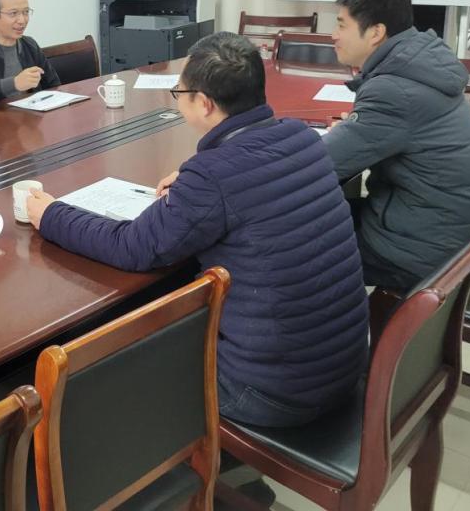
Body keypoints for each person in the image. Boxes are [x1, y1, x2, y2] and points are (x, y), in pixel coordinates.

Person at [26, 32, 368, 428]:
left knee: (120, 361)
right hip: (342, 366)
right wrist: (196, 182)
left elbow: (132, 247)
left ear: (204, 103)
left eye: (181, 93)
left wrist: (51, 215)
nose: (179, 100)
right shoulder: (302, 138)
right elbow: (247, 183)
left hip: (272, 393)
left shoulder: (212, 178)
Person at [324, 0, 470, 291]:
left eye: (341, 25)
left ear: (376, 33)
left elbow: (322, 163)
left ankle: (330, 321)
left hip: (414, 252)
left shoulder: (394, 90)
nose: (333, 35)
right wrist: (355, 130)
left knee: (292, 239)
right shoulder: (418, 61)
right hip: (440, 229)